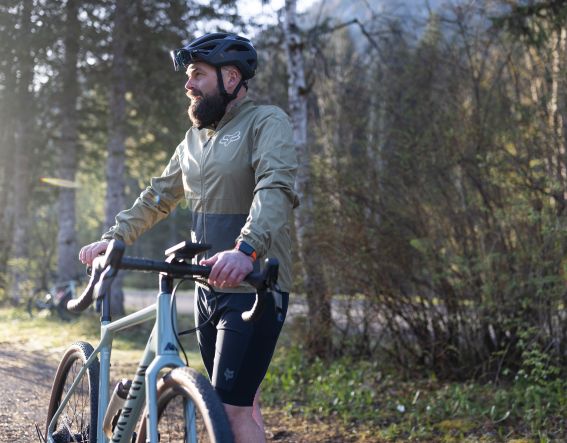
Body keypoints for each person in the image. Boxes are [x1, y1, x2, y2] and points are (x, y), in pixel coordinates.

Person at [79, 32, 298, 443]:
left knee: (230, 411)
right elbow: (157, 196)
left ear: (231, 78)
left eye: (198, 74)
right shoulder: (193, 140)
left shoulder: (266, 122)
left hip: (252, 287)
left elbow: (276, 188)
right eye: (189, 75)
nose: (188, 84)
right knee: (234, 402)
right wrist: (114, 236)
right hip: (206, 287)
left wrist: (245, 250)